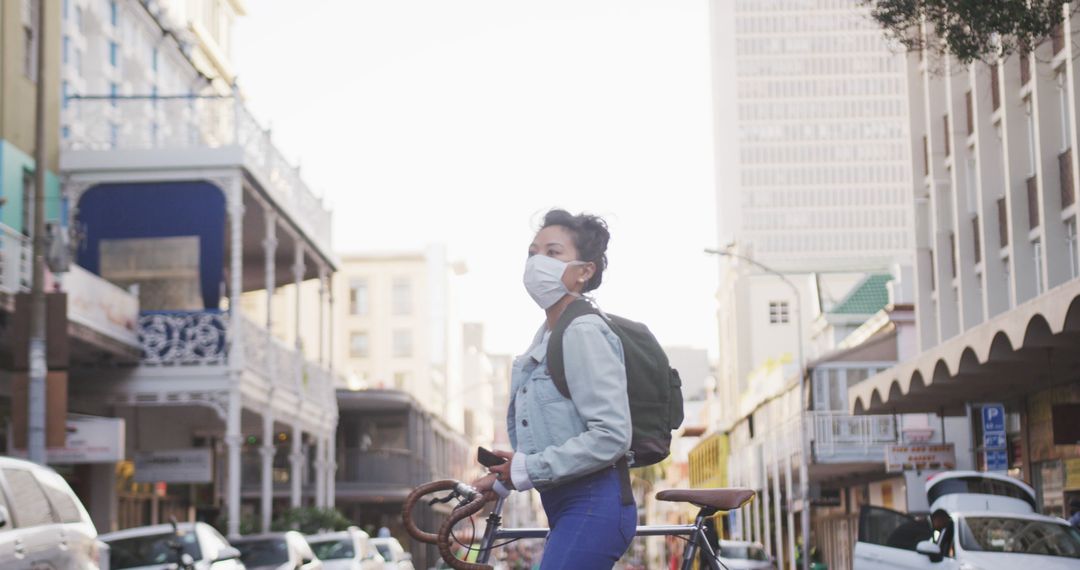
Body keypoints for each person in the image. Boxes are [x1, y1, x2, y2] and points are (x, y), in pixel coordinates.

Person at [472, 209, 636, 570]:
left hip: (594, 504)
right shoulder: (548, 335)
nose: (536, 263)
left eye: (553, 252)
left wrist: (527, 470)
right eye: (533, 252)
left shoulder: (583, 331)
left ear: (584, 270)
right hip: (568, 504)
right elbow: (555, 436)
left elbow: (611, 435)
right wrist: (504, 479)